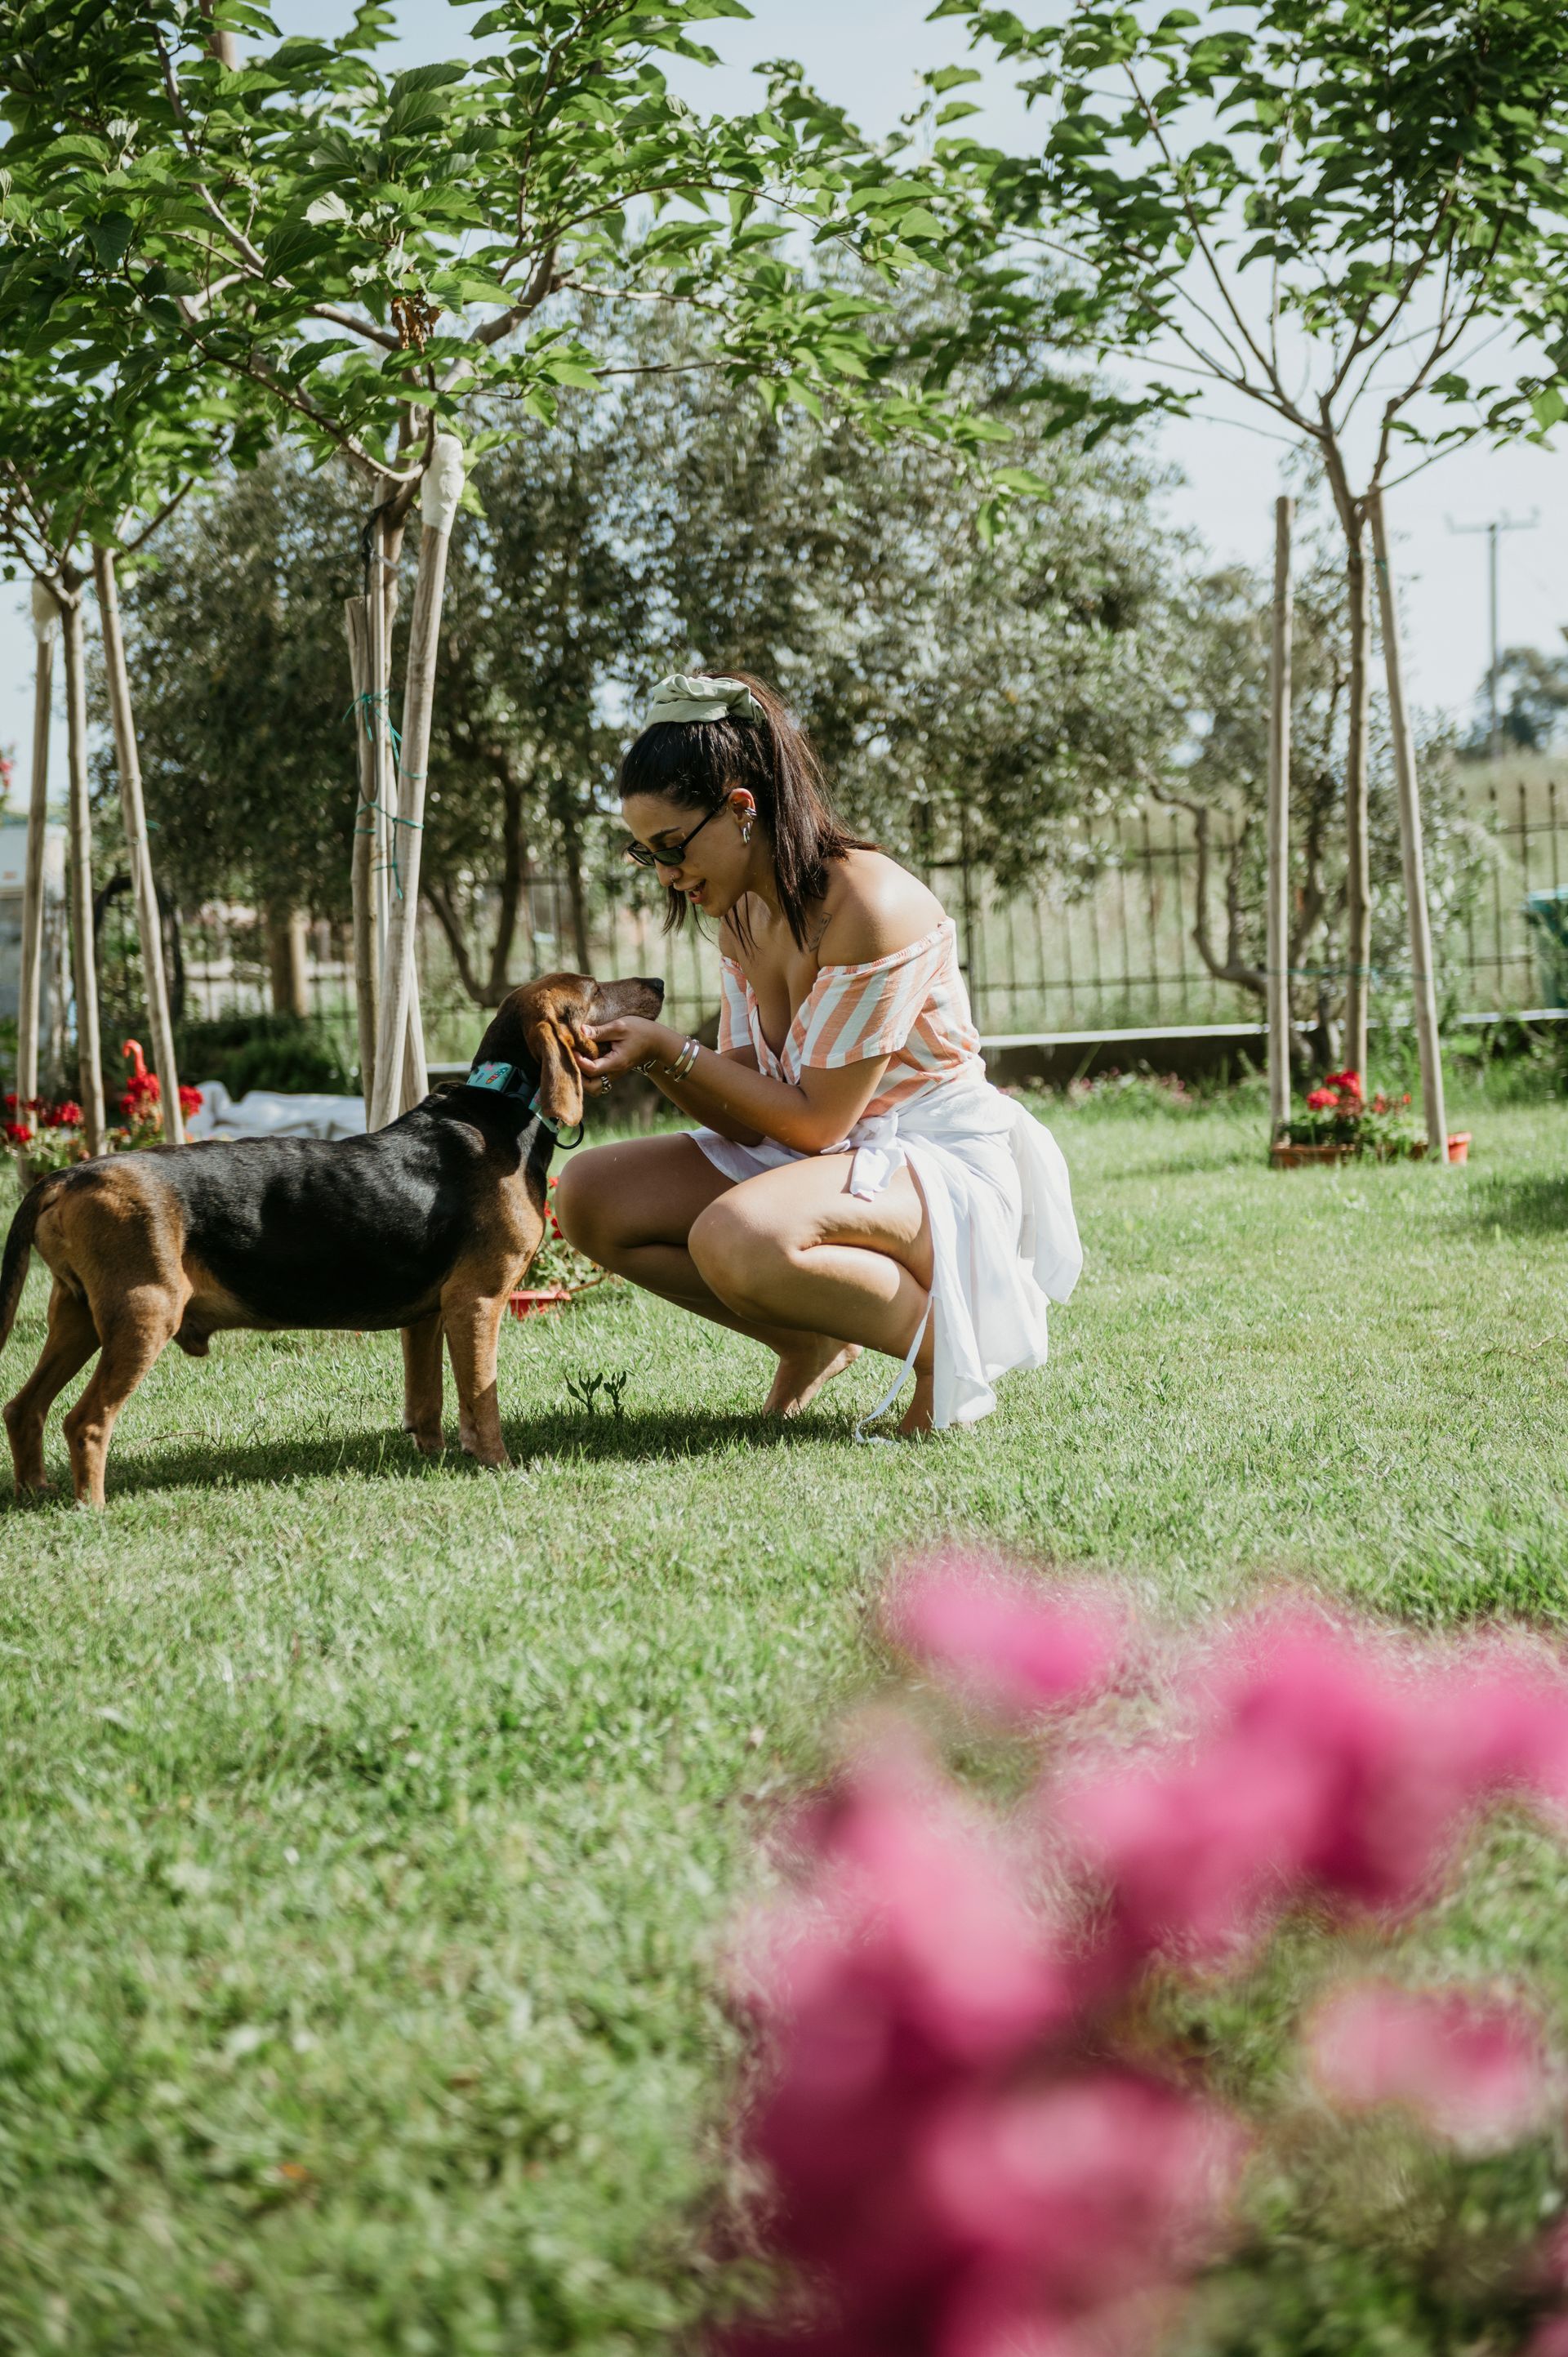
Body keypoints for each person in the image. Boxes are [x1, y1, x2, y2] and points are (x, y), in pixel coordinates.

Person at [556, 671, 1082, 1437]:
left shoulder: (871, 907)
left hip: (933, 1160)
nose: (666, 875)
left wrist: (670, 1048)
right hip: (825, 1154)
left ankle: (945, 1353)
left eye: (671, 847)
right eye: (646, 856)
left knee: (739, 1236)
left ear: (742, 808)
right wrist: (654, 1058)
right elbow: (746, 1106)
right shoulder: (739, 912)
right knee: (588, 1194)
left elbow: (816, 1123)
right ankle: (809, 1339)